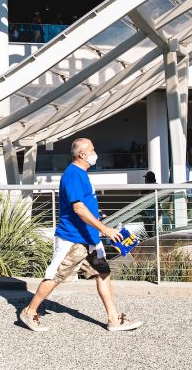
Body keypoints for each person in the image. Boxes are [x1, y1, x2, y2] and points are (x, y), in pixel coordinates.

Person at [17, 138, 142, 333]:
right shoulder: (73, 174)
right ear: (82, 154)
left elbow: (85, 205)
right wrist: (104, 229)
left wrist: (99, 220)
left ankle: (113, 319)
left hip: (89, 239)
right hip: (73, 239)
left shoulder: (82, 174)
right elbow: (78, 208)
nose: (95, 152)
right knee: (56, 276)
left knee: (103, 273)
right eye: (92, 149)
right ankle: (29, 311)